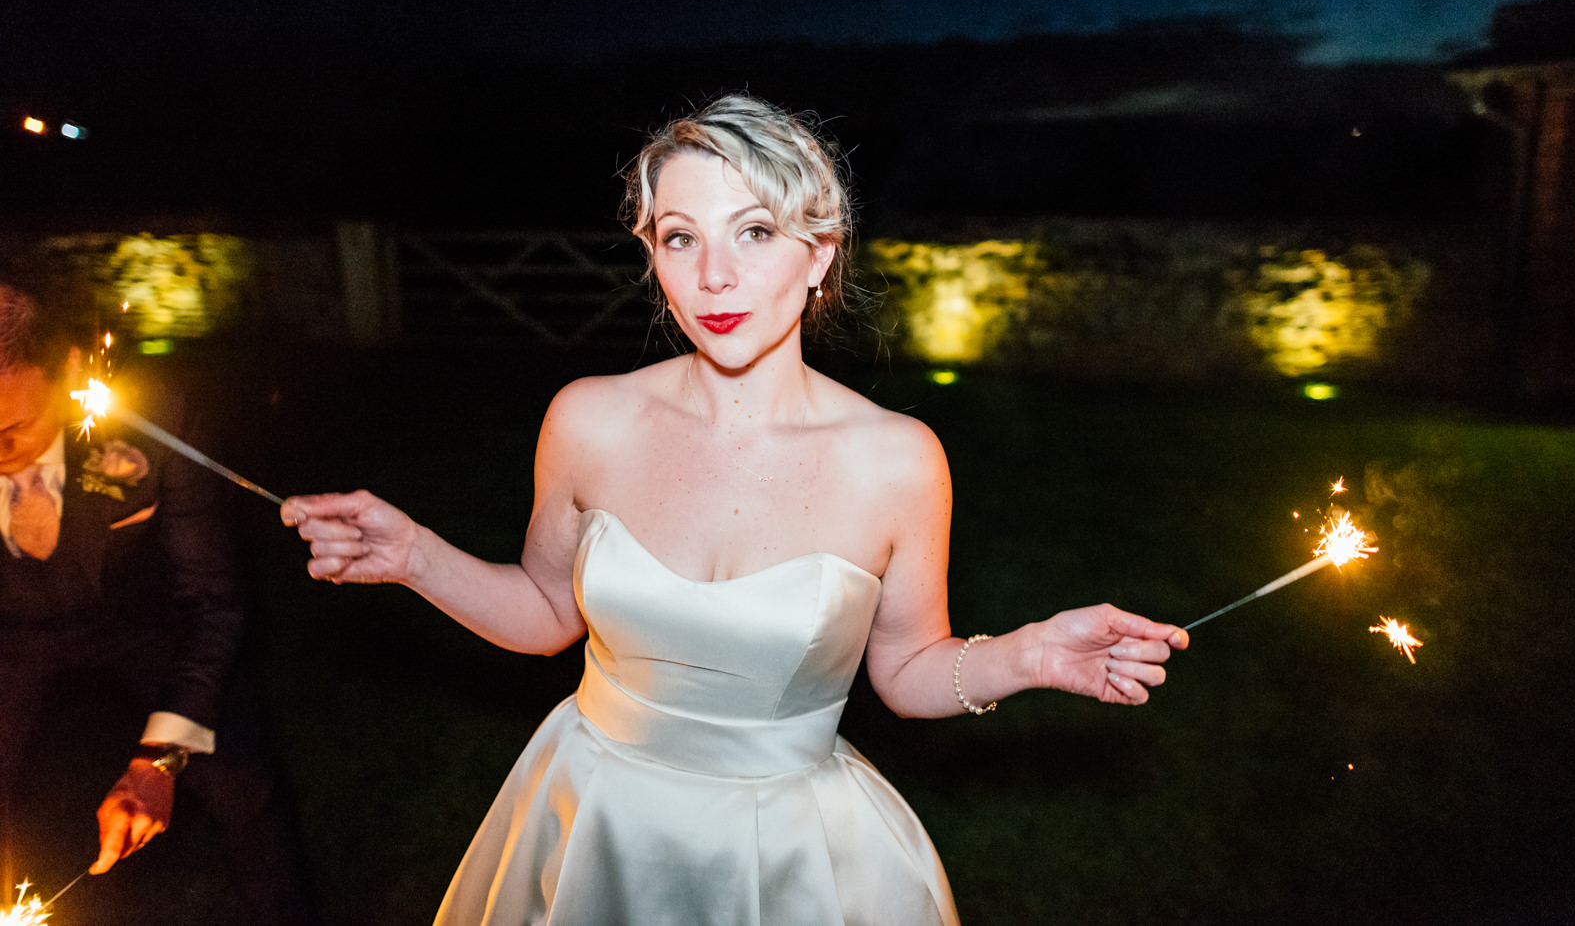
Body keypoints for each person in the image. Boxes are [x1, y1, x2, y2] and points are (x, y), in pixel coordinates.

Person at [283, 94, 1188, 925]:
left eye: (754, 232)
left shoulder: (897, 461)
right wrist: (414, 557)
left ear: (820, 252)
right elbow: (550, 613)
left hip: (787, 854)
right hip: (591, 817)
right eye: (680, 237)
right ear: (651, 254)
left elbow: (906, 669)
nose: (714, 275)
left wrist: (1026, 655)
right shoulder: (587, 419)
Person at [0, 274, 320, 926]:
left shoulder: (160, 419)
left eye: (12, 430)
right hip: (8, 629)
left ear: (68, 371)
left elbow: (213, 602)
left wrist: (160, 761)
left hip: (148, 618)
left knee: (239, 781)